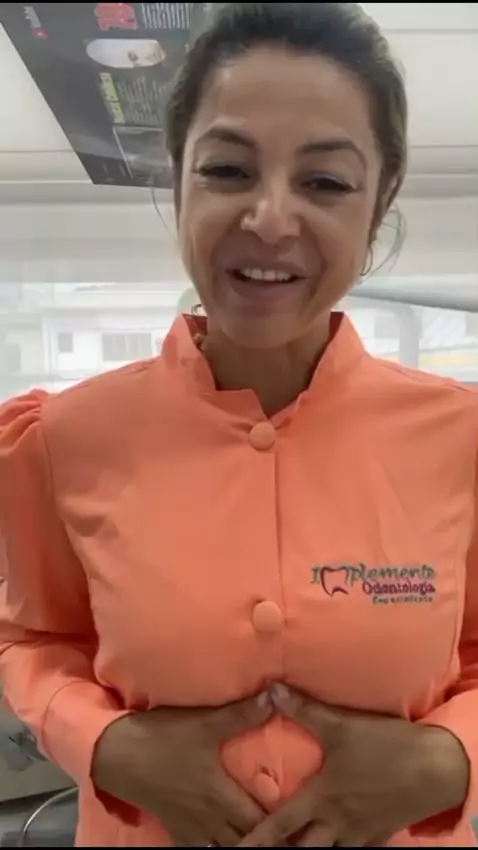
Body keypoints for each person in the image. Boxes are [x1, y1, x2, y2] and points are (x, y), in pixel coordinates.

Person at [0, 3, 477, 846]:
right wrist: (104, 743)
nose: (270, 219)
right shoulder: (62, 440)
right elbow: (33, 639)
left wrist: (451, 758)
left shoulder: (462, 440)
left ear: (380, 203)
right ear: (176, 180)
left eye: (325, 182)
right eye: (228, 170)